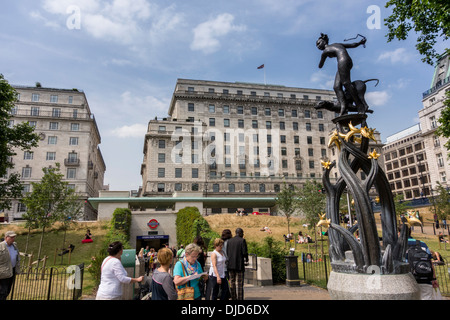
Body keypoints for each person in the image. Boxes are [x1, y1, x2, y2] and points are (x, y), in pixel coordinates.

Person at [317, 33, 366, 116]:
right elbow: (352, 45)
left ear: (324, 41)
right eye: (317, 45)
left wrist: (321, 60)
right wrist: (360, 43)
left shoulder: (325, 51)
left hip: (343, 61)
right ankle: (343, 106)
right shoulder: (337, 44)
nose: (318, 46)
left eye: (318, 43)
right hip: (345, 62)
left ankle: (359, 105)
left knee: (346, 83)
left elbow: (320, 65)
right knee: (336, 86)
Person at [406, 235, 439, 300]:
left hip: (408, 279)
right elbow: (430, 261)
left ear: (399, 233)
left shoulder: (399, 244)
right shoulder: (422, 243)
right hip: (425, 278)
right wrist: (434, 278)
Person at [226, 228, 248, 300]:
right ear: (240, 233)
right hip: (239, 265)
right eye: (243, 233)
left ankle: (233, 297)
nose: (243, 234)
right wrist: (246, 259)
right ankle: (240, 298)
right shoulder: (242, 240)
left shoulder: (229, 241)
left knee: (232, 282)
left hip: (230, 265)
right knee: (240, 283)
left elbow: (227, 252)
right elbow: (244, 252)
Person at [0, 231, 20, 300]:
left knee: (8, 290)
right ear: (6, 237)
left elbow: (17, 257)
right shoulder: (1, 246)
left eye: (14, 237)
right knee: (2, 291)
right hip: (3, 272)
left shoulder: (14, 245)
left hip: (12, 270)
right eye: (11, 237)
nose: (13, 239)